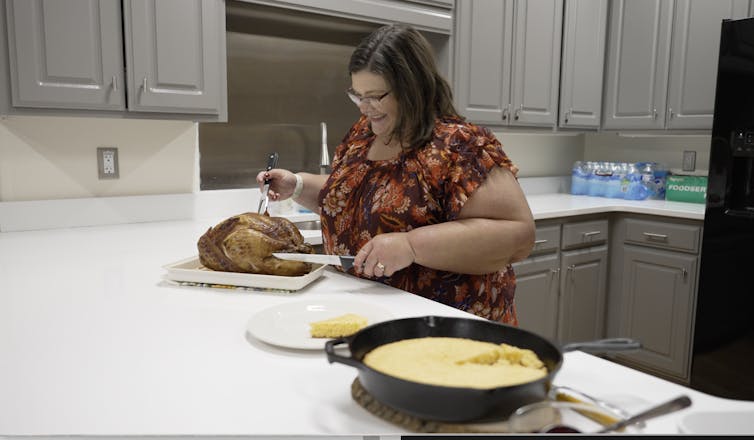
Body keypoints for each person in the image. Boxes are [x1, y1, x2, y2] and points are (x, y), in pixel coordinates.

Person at [257, 23, 535, 325]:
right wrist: (297, 185)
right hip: (374, 317)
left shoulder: (460, 146)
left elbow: (518, 235)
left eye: (376, 96)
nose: (365, 108)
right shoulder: (364, 134)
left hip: (450, 324)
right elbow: (357, 196)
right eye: (358, 95)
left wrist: (412, 246)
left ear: (412, 87)